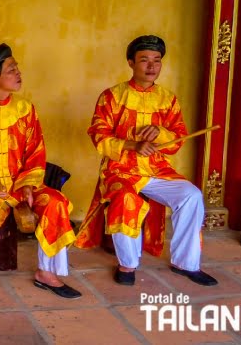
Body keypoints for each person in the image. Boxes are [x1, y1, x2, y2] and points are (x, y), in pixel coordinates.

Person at [74, 35, 218, 287]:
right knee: (125, 199)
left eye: (157, 60)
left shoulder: (167, 98)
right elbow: (98, 136)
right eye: (144, 60)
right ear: (131, 62)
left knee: (191, 195)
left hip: (157, 170)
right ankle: (127, 265)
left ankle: (186, 263)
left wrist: (160, 132)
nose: (151, 66)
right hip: (120, 171)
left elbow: (177, 140)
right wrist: (132, 144)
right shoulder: (112, 96)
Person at [0, 43, 82, 307]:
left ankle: (46, 273)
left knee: (54, 202)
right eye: (11, 69)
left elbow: (35, 151)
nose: (18, 72)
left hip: (21, 183)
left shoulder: (26, 109)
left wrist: (30, 185)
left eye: (16, 67)